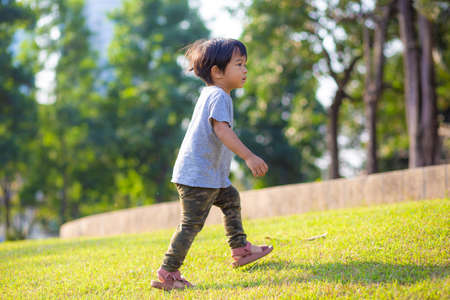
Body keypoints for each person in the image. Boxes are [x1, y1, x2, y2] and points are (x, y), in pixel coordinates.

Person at [151, 38, 273, 291]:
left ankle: (240, 249)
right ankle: (168, 272)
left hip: (206, 175)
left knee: (230, 199)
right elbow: (222, 131)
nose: (245, 70)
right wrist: (249, 156)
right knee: (191, 224)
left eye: (245, 64)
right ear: (217, 72)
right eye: (239, 64)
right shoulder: (219, 96)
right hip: (198, 177)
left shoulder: (212, 93)